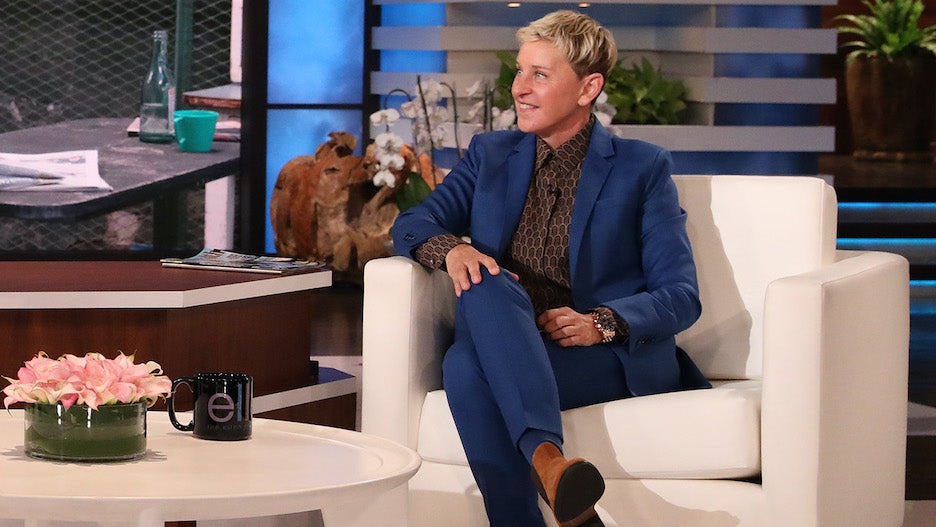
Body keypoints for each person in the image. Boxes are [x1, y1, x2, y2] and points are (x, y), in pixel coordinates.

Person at [392, 10, 710, 527]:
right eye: (519, 72)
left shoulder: (642, 167)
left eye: (539, 74)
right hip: (510, 335)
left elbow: (680, 295)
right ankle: (551, 464)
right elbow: (412, 223)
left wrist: (600, 323)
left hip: (597, 356)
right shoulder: (490, 154)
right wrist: (451, 250)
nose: (519, 88)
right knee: (485, 280)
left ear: (588, 88)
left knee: (466, 369)